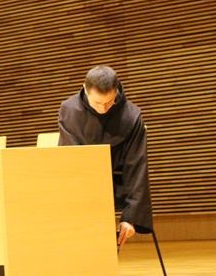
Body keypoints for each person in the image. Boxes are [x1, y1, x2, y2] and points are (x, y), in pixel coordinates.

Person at [57, 65, 153, 249]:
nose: (103, 109)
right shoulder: (69, 110)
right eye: (97, 103)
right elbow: (69, 159)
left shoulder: (131, 115)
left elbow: (137, 166)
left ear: (116, 91)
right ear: (85, 90)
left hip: (117, 185)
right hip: (79, 183)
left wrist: (130, 217)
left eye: (109, 102)